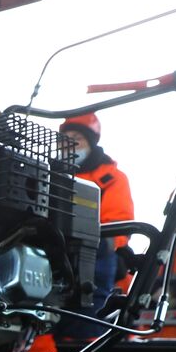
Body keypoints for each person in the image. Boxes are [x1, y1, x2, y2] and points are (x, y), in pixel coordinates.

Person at [54, 113, 133, 337]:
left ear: (90, 142)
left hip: (94, 254)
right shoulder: (50, 173)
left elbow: (119, 223)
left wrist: (112, 250)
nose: (69, 145)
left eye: (76, 138)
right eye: (64, 139)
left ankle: (87, 340)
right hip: (56, 249)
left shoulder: (112, 178)